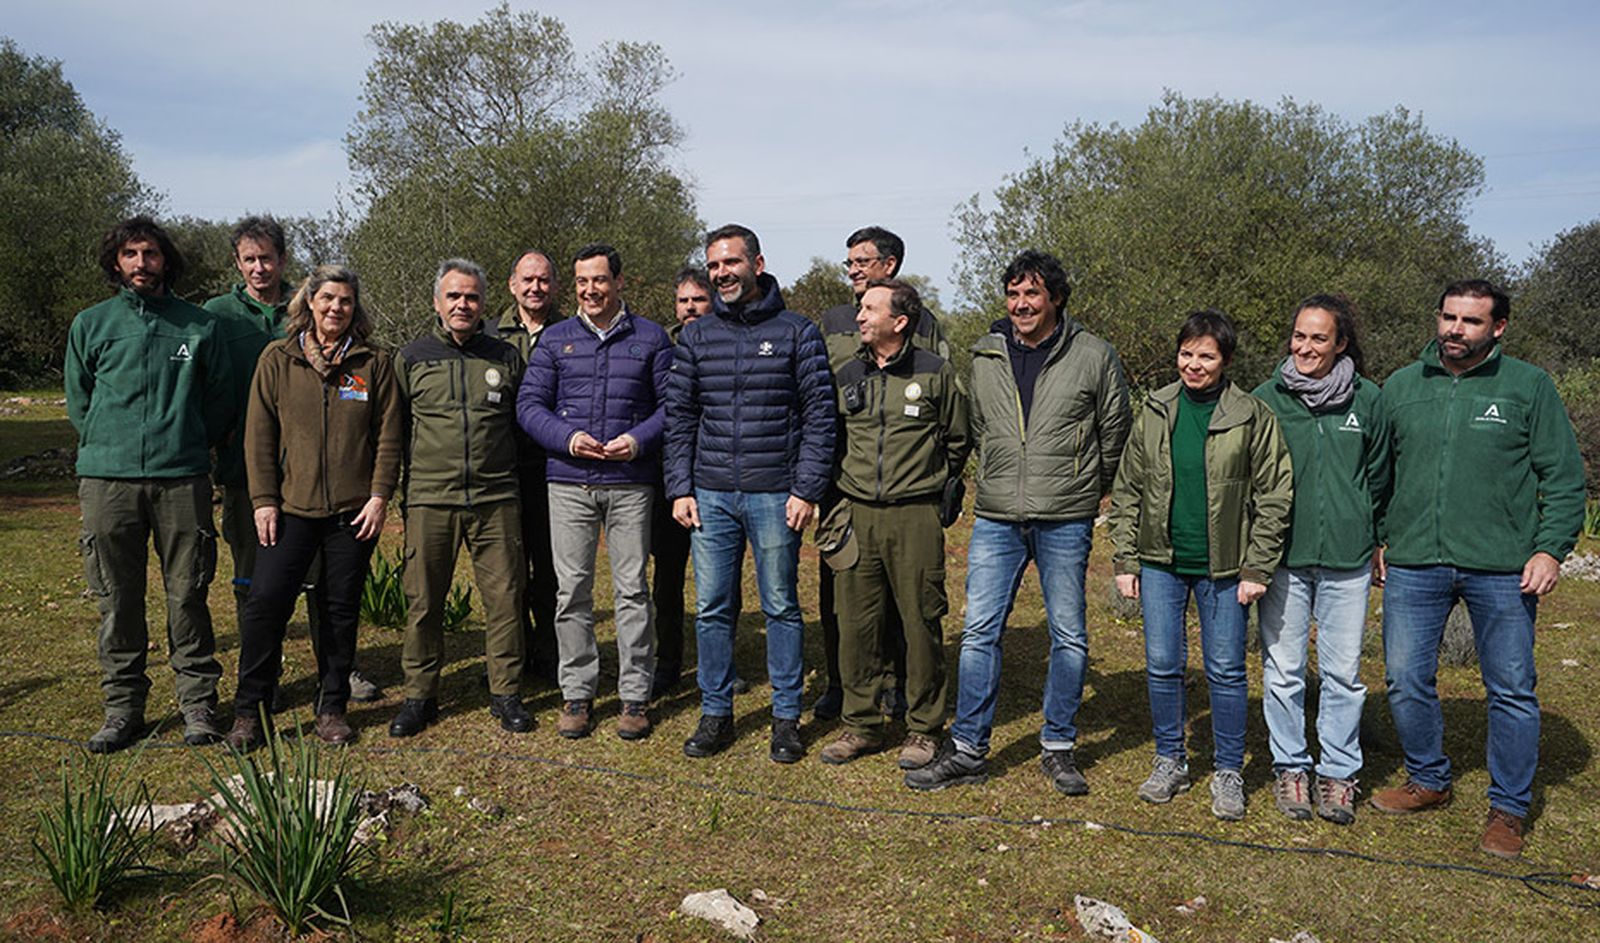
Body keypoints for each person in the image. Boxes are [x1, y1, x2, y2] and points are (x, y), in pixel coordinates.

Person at [1370, 279, 1585, 859]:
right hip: (1416, 560)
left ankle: (1509, 809)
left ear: (1498, 328)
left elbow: (1563, 476)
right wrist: (1380, 537)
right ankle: (1428, 780)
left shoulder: (1528, 387)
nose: (1454, 330)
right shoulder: (1402, 386)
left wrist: (1549, 549)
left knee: (1511, 688)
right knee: (1404, 677)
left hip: (1502, 567)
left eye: (1469, 321)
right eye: (1447, 317)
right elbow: (1380, 474)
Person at [905, 250, 1130, 796]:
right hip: (999, 514)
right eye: (1013, 293)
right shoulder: (985, 355)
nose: (1021, 304)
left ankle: (1058, 746)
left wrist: (1086, 486)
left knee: (1069, 636)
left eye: (1032, 294)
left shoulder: (1094, 355)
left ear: (1055, 299)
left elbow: (1114, 431)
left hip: (1066, 516)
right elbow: (979, 426)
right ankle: (969, 749)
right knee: (980, 632)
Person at [1107, 309, 1293, 820]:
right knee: (1164, 665)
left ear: (1226, 360)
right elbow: (1127, 488)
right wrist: (1126, 557)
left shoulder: (1252, 415)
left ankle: (1229, 770)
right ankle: (1170, 759)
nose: (1193, 364)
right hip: (1161, 561)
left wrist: (1257, 567)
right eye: (1186, 354)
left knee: (1227, 671)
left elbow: (1275, 494)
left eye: (1206, 355)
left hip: (1226, 567)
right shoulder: (1156, 409)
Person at [665, 224, 836, 763]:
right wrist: (679, 487)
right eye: (713, 266)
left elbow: (820, 416)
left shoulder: (796, 332)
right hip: (710, 495)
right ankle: (716, 712)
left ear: (757, 264)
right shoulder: (696, 336)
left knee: (782, 605)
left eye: (730, 264)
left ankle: (786, 718)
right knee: (714, 607)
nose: (721, 274)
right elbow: (679, 418)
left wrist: (806, 487)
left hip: (774, 494)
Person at [65, 216, 234, 752]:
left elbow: (222, 397)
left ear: (167, 261)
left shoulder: (198, 326)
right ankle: (123, 708)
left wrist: (185, 437)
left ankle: (198, 704)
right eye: (131, 254)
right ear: (116, 262)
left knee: (188, 594)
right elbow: (79, 401)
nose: (142, 263)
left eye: (152, 254)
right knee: (117, 598)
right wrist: (106, 440)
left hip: (181, 478)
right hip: (107, 479)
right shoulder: (91, 325)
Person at [205, 217, 380, 704]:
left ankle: (339, 673)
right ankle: (266, 678)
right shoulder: (218, 316)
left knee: (334, 589)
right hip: (251, 480)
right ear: (237, 264)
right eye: (249, 259)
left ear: (283, 261)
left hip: (328, 486)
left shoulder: (313, 306)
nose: (259, 267)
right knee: (257, 586)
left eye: (267, 257)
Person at [227, 266, 402, 749]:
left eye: (345, 301)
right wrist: (263, 501)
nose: (335, 309)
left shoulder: (373, 363)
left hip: (352, 513)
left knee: (338, 611)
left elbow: (388, 435)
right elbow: (258, 436)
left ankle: (331, 708)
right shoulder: (278, 359)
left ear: (355, 308)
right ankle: (250, 711)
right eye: (326, 299)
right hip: (290, 509)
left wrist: (380, 495)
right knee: (265, 605)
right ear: (309, 302)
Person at [518, 244, 672, 740]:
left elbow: (672, 407)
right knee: (572, 592)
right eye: (582, 282)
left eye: (599, 280)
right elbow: (529, 405)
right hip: (568, 481)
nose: (590, 290)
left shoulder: (650, 338)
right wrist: (565, 438)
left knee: (632, 590)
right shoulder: (555, 339)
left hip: (629, 483)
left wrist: (637, 440)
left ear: (620, 282)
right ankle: (578, 692)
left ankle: (633, 695)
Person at [817, 279, 969, 771]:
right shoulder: (846, 374)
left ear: (899, 322)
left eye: (868, 309)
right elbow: (833, 439)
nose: (858, 317)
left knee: (921, 621)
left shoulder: (936, 373)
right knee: (855, 624)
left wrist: (932, 487)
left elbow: (957, 439)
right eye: (860, 309)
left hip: (915, 516)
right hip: (856, 514)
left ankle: (924, 729)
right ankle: (860, 723)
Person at [1252, 295, 1389, 825]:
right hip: (1284, 558)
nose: (1306, 347)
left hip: (1348, 560)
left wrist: (1379, 538)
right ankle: (1290, 766)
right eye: (1300, 336)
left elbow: (1379, 477)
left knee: (1343, 674)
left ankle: (1338, 772)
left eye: (1319, 338)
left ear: (1341, 344)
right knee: (1283, 671)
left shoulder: (1368, 400)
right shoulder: (1268, 399)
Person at [390, 259, 532, 737]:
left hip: (496, 498)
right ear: (437, 302)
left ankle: (506, 693)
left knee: (505, 600)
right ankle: (419, 696)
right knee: (424, 602)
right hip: (431, 498)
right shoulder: (411, 358)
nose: (463, 304)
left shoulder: (506, 356)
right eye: (453, 296)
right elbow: (393, 432)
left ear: (483, 302)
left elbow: (522, 423)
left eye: (471, 296)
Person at [813, 226, 949, 721]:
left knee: (905, 599)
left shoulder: (924, 323)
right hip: (843, 481)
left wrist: (934, 481)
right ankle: (840, 685)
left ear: (889, 265)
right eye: (848, 261)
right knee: (843, 596)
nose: (852, 269)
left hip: (905, 487)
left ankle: (898, 684)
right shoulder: (831, 320)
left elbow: (945, 418)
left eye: (862, 261)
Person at [486, 249, 564, 684]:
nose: (535, 288)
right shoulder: (491, 333)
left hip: (553, 469)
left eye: (544, 280)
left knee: (550, 570)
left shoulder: (571, 331)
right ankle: (510, 658)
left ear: (554, 286)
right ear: (512, 284)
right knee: (507, 571)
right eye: (527, 280)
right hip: (502, 468)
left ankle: (551, 656)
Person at [650, 266, 710, 696]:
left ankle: (716, 664)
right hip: (667, 479)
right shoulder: (661, 348)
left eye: (698, 300)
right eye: (683, 301)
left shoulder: (729, 343)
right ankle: (667, 662)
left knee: (715, 582)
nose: (690, 308)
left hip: (714, 477)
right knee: (666, 579)